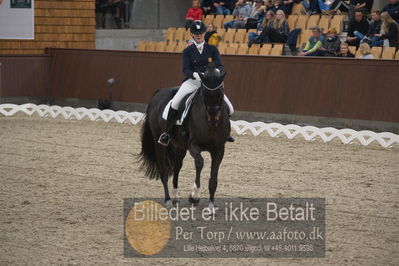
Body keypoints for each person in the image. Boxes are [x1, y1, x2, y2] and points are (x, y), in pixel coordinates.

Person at [158, 21, 235, 146]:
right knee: (175, 102)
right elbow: (186, 70)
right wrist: (194, 75)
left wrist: (215, 72)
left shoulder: (212, 49)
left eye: (200, 33)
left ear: (204, 33)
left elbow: (221, 66)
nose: (198, 35)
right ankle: (166, 133)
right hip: (193, 82)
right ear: (192, 34)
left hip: (210, 83)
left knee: (230, 108)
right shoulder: (188, 51)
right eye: (196, 33)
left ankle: (225, 132)